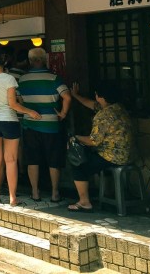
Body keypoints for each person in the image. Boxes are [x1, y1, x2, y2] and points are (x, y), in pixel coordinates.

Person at [0, 49, 42, 205]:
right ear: (5, 62)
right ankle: (12, 197)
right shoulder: (9, 79)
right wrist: (30, 111)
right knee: (11, 160)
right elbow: (13, 104)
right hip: (9, 120)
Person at [67, 81, 135, 212]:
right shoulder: (118, 108)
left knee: (79, 166)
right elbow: (92, 104)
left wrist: (75, 137)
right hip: (127, 154)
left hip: (112, 156)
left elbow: (93, 141)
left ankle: (84, 202)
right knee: (95, 161)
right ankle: (108, 194)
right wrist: (76, 95)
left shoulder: (103, 116)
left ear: (100, 97)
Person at [18, 47, 72, 203]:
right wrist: (63, 113)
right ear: (44, 60)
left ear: (30, 61)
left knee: (32, 160)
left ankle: (35, 192)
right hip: (51, 126)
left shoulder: (22, 79)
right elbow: (67, 97)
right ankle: (55, 193)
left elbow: (20, 101)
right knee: (54, 160)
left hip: (30, 125)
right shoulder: (54, 78)